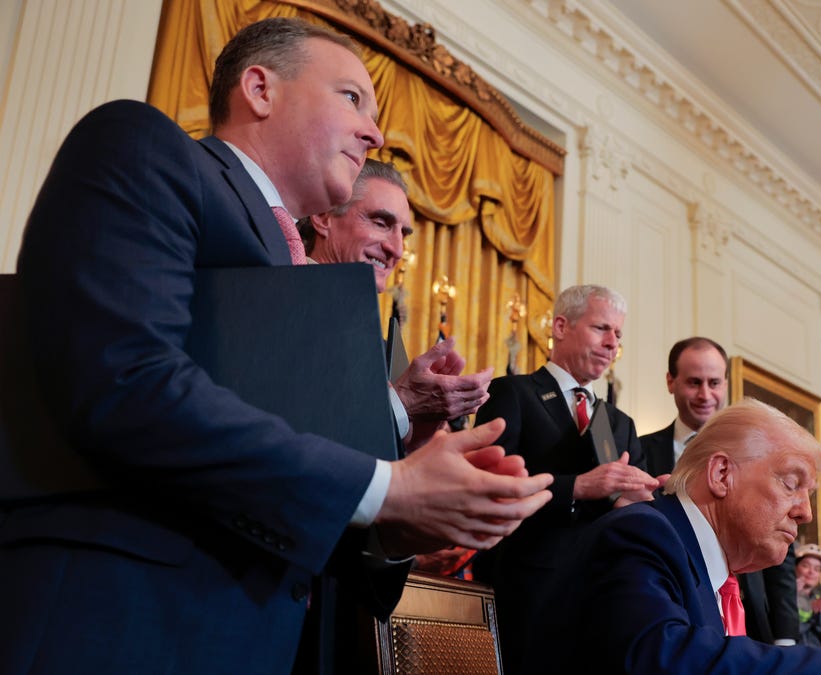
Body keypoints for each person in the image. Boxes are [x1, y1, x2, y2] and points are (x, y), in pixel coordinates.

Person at [3, 17, 551, 674]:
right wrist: (387, 487)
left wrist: (400, 528)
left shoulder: (309, 282)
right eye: (352, 98)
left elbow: (288, 476)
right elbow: (124, 380)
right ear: (260, 89)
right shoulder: (144, 148)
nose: (376, 133)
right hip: (117, 622)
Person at [525, 399, 821, 675]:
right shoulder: (643, 532)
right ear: (721, 474)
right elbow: (662, 660)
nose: (805, 512)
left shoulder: (715, 574)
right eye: (791, 484)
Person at [473, 283, 661, 673]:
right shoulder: (513, 393)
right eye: (601, 328)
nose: (612, 343)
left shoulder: (620, 423)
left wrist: (645, 499)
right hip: (527, 594)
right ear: (561, 326)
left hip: (602, 598)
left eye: (618, 334)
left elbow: (633, 510)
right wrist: (578, 487)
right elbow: (488, 483)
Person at [299, 158, 492, 450]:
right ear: (323, 216)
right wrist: (403, 401)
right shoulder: (284, 301)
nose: (397, 249)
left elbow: (375, 452)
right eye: (380, 223)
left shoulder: (375, 342)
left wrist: (422, 426)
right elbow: (298, 433)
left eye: (403, 234)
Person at [640, 336, 800, 645]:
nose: (705, 394)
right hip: (670, 610)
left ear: (725, 384)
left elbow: (781, 546)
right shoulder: (640, 451)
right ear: (671, 382)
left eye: (714, 383)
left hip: (747, 614)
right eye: (694, 382)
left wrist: (786, 635)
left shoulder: (759, 455)